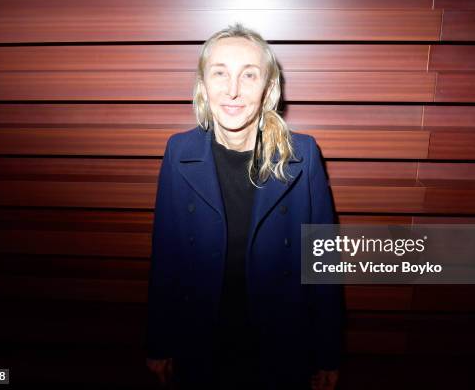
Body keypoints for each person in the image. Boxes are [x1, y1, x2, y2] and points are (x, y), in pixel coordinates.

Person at [145, 23, 344, 390]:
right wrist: (158, 342)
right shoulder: (178, 152)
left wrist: (327, 353)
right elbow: (166, 255)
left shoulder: (304, 154)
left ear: (268, 89)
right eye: (219, 73)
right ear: (203, 85)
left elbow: (324, 263)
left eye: (248, 75)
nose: (232, 90)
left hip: (279, 343)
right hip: (202, 341)